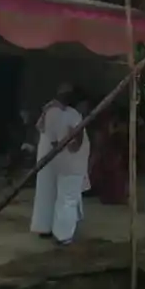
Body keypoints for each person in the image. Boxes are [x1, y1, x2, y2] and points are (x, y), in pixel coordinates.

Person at [30, 83, 72, 237]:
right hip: (51, 151)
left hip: (51, 151)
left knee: (52, 190)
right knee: (48, 190)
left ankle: (50, 225)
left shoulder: (59, 109)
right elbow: (54, 136)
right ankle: (45, 227)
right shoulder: (54, 109)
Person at [51, 97, 89, 245]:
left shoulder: (60, 115)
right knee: (69, 199)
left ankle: (59, 232)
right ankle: (65, 236)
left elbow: (54, 141)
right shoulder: (74, 115)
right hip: (73, 164)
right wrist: (76, 146)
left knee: (63, 198)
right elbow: (75, 133)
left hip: (64, 163)